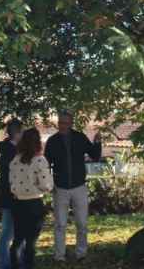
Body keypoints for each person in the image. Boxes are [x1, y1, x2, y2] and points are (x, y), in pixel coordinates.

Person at [43, 110, 102, 262]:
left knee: (82, 224)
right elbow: (45, 165)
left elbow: (95, 155)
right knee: (60, 225)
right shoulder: (52, 141)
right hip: (60, 187)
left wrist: (97, 142)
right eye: (61, 123)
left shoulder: (80, 137)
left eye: (66, 123)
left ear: (71, 124)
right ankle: (59, 256)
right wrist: (48, 184)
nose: (63, 126)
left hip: (79, 187)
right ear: (58, 124)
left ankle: (81, 253)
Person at [8, 127, 54, 269]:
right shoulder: (39, 160)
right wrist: (40, 188)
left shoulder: (15, 160)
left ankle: (15, 265)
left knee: (17, 240)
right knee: (30, 242)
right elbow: (47, 185)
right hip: (34, 203)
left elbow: (11, 182)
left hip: (18, 203)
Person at [0, 118, 25, 269]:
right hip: (10, 196)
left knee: (20, 231)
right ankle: (5, 264)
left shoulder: (17, 149)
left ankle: (18, 261)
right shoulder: (8, 151)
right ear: (16, 133)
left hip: (22, 196)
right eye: (21, 131)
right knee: (8, 232)